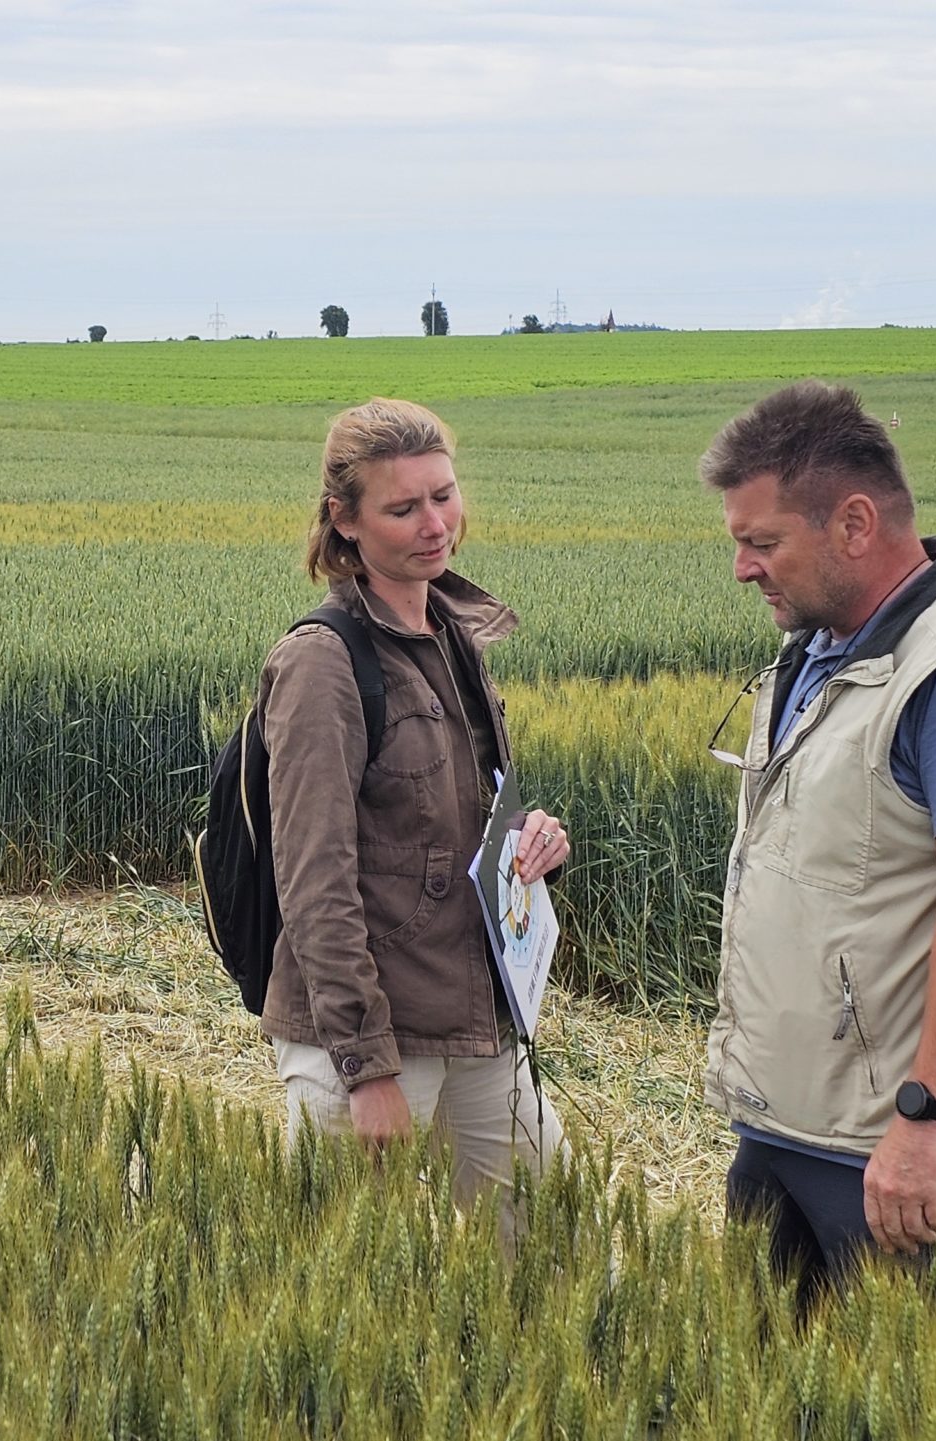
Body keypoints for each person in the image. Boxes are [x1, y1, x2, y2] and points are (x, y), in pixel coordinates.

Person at [700, 379, 936, 1311]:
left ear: (855, 524)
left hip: (892, 1152)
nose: (743, 568)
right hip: (793, 1122)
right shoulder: (824, 645)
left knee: (910, 1387)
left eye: (762, 542)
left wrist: (929, 1119)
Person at [255, 397, 570, 1211]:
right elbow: (313, 879)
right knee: (350, 1274)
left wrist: (530, 840)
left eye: (444, 494)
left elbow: (458, 816)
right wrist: (365, 1067)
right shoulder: (323, 662)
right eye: (403, 508)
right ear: (345, 519)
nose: (435, 525)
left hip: (475, 1020)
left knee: (561, 1248)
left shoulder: (455, 634)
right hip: (370, 1037)